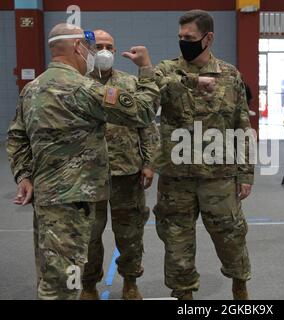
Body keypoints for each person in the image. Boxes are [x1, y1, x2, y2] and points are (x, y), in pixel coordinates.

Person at [6, 23, 159, 300]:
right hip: (77, 200)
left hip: (48, 198)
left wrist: (24, 176)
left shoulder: (31, 89)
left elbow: (17, 137)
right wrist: (147, 69)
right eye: (90, 47)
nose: (95, 53)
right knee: (66, 282)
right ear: (78, 47)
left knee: (53, 271)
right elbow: (144, 110)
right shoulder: (83, 88)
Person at [151, 10, 254, 300]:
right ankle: (183, 295)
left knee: (230, 236)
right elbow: (149, 92)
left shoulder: (230, 75)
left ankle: (239, 286)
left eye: (190, 37)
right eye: (181, 37)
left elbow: (241, 125)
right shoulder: (166, 71)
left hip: (218, 176)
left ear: (208, 38)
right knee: (176, 239)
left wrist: (245, 173)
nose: (184, 42)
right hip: (176, 177)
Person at [79, 29, 160, 300]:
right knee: (89, 236)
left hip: (127, 173)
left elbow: (147, 126)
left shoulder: (129, 83)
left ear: (115, 51)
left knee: (130, 234)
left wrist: (149, 163)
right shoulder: (76, 83)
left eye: (109, 47)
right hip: (87, 175)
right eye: (99, 45)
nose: (104, 51)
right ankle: (89, 284)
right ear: (87, 49)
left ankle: (130, 281)